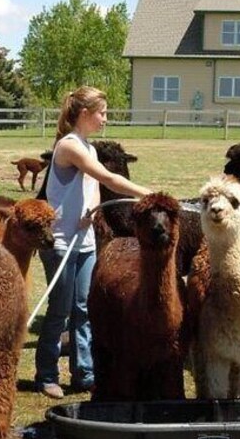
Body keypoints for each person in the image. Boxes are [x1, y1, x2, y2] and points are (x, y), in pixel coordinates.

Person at [34, 86, 152, 399]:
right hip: (60, 241)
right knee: (59, 311)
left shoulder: (88, 147)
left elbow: (95, 190)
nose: (105, 118)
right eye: (101, 112)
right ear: (84, 114)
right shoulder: (69, 146)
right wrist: (147, 193)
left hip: (83, 241)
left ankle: (83, 373)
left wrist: (92, 212)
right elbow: (108, 179)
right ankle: (46, 374)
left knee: (83, 309)